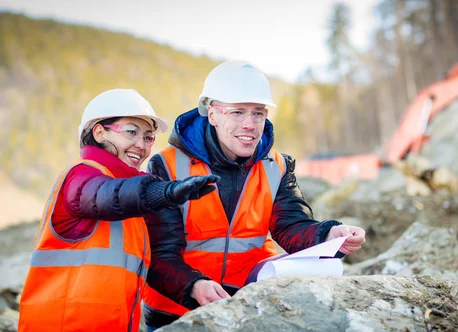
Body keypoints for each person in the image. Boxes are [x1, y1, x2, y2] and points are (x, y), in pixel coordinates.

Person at [141, 61, 366, 330]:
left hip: (250, 307)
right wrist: (194, 286)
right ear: (212, 114)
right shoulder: (166, 167)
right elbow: (159, 254)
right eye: (237, 112)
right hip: (176, 312)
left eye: (258, 113)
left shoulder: (277, 166)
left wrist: (329, 236)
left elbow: (291, 226)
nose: (250, 125)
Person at [18, 89, 219, 332]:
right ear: (99, 132)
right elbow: (107, 195)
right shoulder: (81, 176)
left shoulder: (137, 198)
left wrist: (193, 286)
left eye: (148, 137)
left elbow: (156, 263)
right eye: (131, 132)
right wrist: (164, 192)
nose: (141, 145)